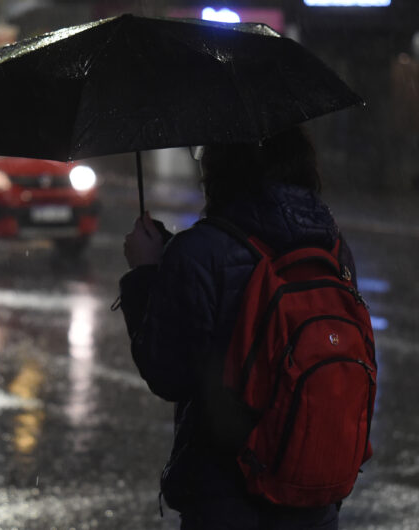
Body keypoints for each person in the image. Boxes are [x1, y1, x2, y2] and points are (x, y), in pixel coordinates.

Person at [119, 125, 354, 529]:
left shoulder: (199, 251)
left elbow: (167, 374)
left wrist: (145, 274)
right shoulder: (333, 246)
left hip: (228, 495)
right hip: (314, 490)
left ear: (221, 164)